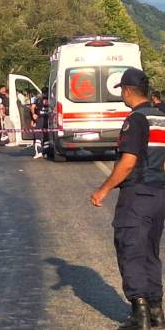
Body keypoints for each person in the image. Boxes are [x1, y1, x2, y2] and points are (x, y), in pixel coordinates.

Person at [91, 68, 165, 330]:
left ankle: (140, 315)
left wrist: (104, 189)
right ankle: (156, 310)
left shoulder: (135, 120)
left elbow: (128, 163)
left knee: (130, 249)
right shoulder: (161, 117)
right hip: (159, 194)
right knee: (149, 252)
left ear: (127, 91)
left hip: (137, 195)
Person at [31, 87, 50, 159]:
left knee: (38, 136)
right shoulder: (51, 98)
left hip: (40, 119)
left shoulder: (38, 98)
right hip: (47, 119)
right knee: (46, 136)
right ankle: (46, 153)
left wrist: (33, 114)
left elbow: (32, 107)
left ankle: (39, 152)